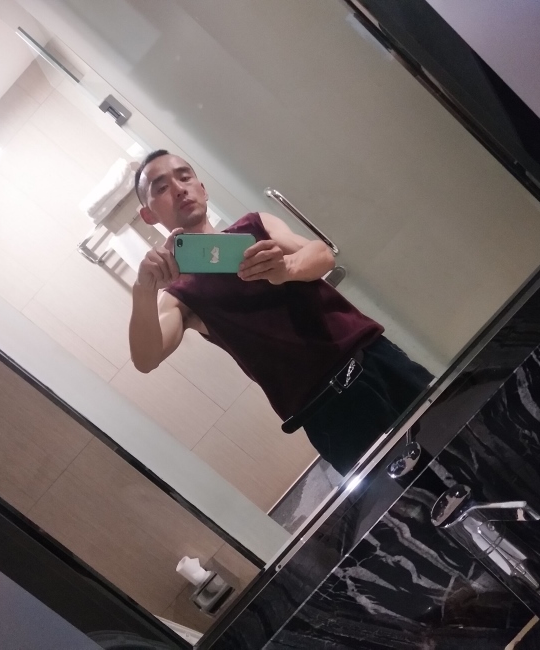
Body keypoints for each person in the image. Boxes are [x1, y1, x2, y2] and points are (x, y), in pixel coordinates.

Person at [129, 150, 432, 474]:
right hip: (327, 411)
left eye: (184, 176)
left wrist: (286, 268)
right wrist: (143, 290)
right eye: (161, 187)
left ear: (202, 188)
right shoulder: (180, 295)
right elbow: (147, 359)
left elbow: (322, 255)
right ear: (148, 215)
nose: (179, 189)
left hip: (376, 359)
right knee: (409, 495)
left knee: (464, 432)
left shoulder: (255, 226)